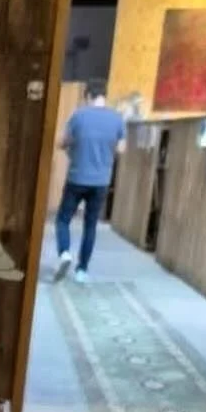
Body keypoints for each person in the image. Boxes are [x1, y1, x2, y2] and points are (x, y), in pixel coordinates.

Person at [54, 79, 125, 284]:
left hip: (77, 178)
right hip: (101, 181)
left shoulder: (79, 115)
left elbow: (61, 142)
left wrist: (75, 146)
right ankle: (82, 270)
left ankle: (64, 252)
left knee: (63, 219)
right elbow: (121, 149)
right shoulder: (116, 119)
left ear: (88, 96)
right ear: (104, 95)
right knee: (90, 225)